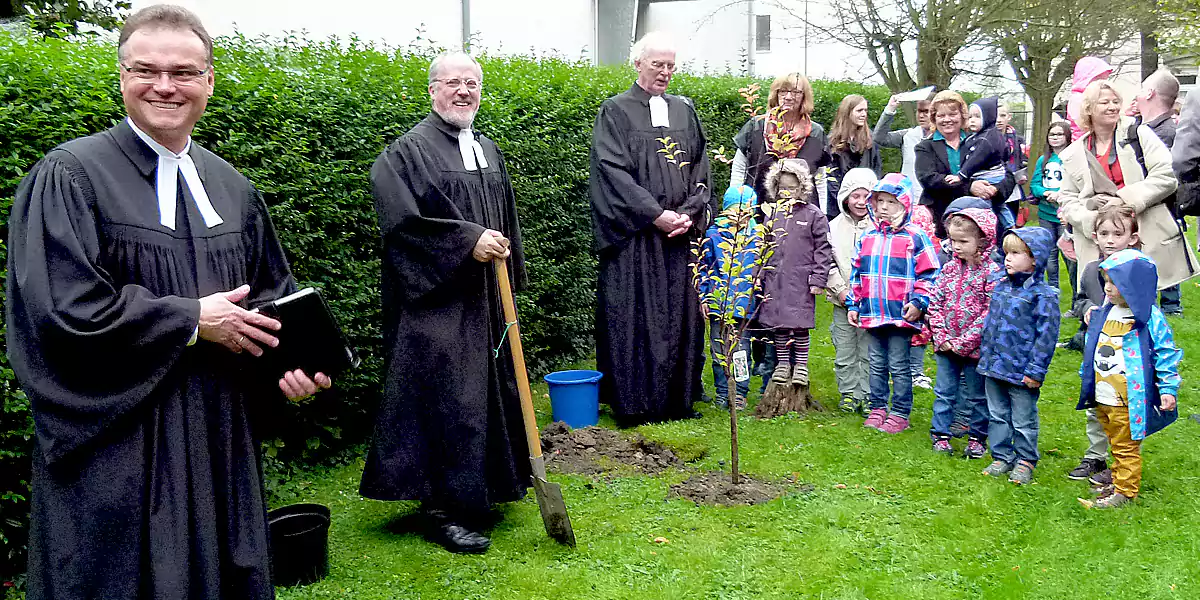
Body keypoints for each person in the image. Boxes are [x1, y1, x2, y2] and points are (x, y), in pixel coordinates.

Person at [6, 6, 331, 598]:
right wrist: (188, 319)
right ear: (121, 76)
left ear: (208, 81)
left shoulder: (232, 187)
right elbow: (57, 311)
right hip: (121, 447)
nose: (164, 86)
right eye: (145, 70)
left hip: (217, 437)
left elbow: (269, 299)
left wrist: (289, 370)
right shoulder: (71, 176)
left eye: (183, 72)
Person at [361, 51, 529, 554]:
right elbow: (402, 224)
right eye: (453, 83)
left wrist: (509, 275)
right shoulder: (406, 153)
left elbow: (506, 215)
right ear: (433, 90)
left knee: (483, 395)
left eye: (472, 84)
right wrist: (466, 242)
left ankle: (485, 490)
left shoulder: (487, 148)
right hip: (437, 305)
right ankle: (442, 508)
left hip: (486, 301)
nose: (463, 92)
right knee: (446, 397)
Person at [590, 32, 712, 424]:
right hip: (636, 239)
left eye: (670, 65)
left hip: (679, 239)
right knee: (634, 317)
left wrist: (690, 213)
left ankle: (679, 399)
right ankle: (635, 402)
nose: (664, 72)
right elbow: (612, 174)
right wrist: (654, 215)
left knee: (680, 316)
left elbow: (701, 168)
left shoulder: (684, 111)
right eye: (657, 64)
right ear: (637, 63)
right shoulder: (616, 112)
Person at [1058, 80, 1196, 300]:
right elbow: (1067, 198)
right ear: (1089, 109)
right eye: (1104, 102)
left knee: (1140, 303)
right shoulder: (1074, 153)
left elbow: (1167, 175)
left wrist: (1124, 200)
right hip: (1098, 240)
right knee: (1100, 303)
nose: (1112, 107)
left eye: (1116, 101)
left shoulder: (1138, 134)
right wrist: (1088, 219)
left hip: (1139, 233)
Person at [1076, 249, 1181, 509]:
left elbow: (1166, 354)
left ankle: (1125, 491)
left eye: (1115, 283)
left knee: (1126, 444)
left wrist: (1168, 388)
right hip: (1102, 394)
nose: (1108, 288)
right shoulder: (1105, 311)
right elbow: (1093, 346)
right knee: (1113, 439)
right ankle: (1118, 477)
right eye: (1106, 282)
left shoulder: (1148, 318)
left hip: (1127, 398)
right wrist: (1086, 374)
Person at [846, 174, 940, 434]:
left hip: (901, 315)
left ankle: (899, 411)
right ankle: (878, 407)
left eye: (891, 201)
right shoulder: (868, 237)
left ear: (905, 204)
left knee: (899, 365)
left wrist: (920, 302)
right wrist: (854, 304)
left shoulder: (915, 236)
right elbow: (857, 273)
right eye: (879, 201)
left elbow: (930, 273)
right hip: (873, 312)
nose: (884, 207)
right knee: (876, 363)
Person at [1065, 206, 1141, 485]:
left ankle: (1123, 462)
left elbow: (1146, 308)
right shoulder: (1091, 270)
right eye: (1104, 234)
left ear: (1132, 237)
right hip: (1097, 349)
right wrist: (1086, 308)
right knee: (1096, 404)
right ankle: (1095, 455)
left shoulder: (1138, 268)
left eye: (1117, 234)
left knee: (1124, 410)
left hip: (1127, 352)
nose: (1110, 240)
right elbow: (1080, 298)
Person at [978, 228, 1060, 485]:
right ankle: (1002, 455)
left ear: (1035, 257)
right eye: (1006, 253)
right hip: (994, 366)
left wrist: (1036, 371)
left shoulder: (1043, 296)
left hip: (1021, 369)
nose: (1008, 259)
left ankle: (1025, 460)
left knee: (1023, 418)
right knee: (998, 414)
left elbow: (1046, 337)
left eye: (1016, 253)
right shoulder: (1000, 287)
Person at [927, 208, 1000, 459]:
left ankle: (977, 437)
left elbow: (989, 313)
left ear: (983, 240)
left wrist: (963, 342)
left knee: (977, 395)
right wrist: (942, 336)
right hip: (946, 346)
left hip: (975, 349)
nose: (956, 247)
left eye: (963, 241)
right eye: (953, 240)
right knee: (944, 391)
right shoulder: (948, 269)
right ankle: (940, 434)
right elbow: (934, 303)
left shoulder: (992, 274)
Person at [758, 159, 831, 386]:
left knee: (799, 325)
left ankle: (800, 366)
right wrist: (759, 275)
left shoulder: (814, 215)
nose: (786, 192)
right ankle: (782, 364)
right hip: (775, 280)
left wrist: (818, 278)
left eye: (792, 188)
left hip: (801, 280)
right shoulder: (772, 214)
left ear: (802, 188)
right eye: (782, 188)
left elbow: (823, 248)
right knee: (779, 325)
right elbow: (764, 246)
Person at [916, 90, 1017, 239]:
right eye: (941, 115)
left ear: (963, 116)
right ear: (934, 118)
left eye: (952, 114)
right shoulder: (925, 147)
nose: (947, 119)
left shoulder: (980, 141)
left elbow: (1007, 174)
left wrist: (994, 189)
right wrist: (970, 187)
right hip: (941, 219)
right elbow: (929, 179)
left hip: (981, 222)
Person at [698, 185, 761, 410]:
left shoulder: (757, 237)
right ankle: (723, 392)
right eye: (737, 211)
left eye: (747, 211)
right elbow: (704, 268)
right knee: (718, 353)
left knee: (741, 352)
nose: (742, 217)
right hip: (718, 304)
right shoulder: (714, 236)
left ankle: (740, 393)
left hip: (743, 307)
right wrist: (704, 297)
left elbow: (763, 269)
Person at [730, 72, 830, 214]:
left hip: (801, 216)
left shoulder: (816, 133)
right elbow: (739, 168)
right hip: (757, 212)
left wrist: (822, 215)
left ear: (804, 96)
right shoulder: (756, 126)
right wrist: (736, 206)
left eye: (795, 92)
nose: (788, 97)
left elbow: (820, 179)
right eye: (783, 91)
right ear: (775, 94)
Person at [1131, 69, 1183, 315]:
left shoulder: (1165, 133)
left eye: (1142, 88)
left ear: (1150, 92)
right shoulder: (1145, 128)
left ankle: (1171, 308)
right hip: (1144, 206)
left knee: (1163, 253)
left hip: (1161, 208)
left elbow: (1165, 179)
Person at [827, 168, 878, 413]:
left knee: (869, 351)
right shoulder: (833, 227)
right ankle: (848, 393)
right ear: (845, 197)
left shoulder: (880, 228)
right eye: (854, 196)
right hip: (842, 299)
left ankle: (867, 393)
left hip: (872, 303)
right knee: (845, 349)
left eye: (865, 196)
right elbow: (826, 262)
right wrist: (840, 290)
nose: (860, 202)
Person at [1030, 121, 1074, 298]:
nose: (1055, 138)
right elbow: (1034, 184)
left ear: (1067, 137)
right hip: (1046, 214)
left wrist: (1059, 194)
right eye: (1052, 135)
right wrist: (1045, 192)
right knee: (1049, 256)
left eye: (1059, 134)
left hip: (1065, 214)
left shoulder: (1073, 157)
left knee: (1069, 256)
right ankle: (1053, 293)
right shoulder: (1043, 159)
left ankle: (1077, 297)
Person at [826, 94, 882, 221]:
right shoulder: (832, 142)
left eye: (866, 111)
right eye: (859, 110)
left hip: (867, 207)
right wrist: (846, 201)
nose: (864, 114)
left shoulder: (870, 141)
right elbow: (830, 178)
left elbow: (876, 171)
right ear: (847, 112)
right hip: (838, 208)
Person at [874, 95, 933, 201]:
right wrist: (890, 110)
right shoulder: (908, 134)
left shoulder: (945, 138)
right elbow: (879, 138)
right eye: (919, 111)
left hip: (933, 200)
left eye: (926, 111)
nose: (921, 115)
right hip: (908, 199)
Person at [946, 97, 1008, 190]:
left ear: (988, 117)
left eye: (977, 116)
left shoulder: (985, 139)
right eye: (970, 117)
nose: (972, 120)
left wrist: (960, 176)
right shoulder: (988, 135)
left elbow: (975, 159)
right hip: (996, 175)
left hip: (988, 177)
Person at [997, 103, 1029, 225]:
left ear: (1009, 117)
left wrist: (1022, 174)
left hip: (1013, 188)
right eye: (996, 116)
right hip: (994, 185)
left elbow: (1022, 161)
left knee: (1010, 224)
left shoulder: (1017, 139)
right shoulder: (985, 138)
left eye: (1003, 115)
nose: (999, 120)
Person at [1067, 57, 1114, 142]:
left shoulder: (1093, 97)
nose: (1101, 84)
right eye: (1098, 79)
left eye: (1104, 79)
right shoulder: (1078, 98)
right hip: (1084, 145)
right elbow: (1085, 125)